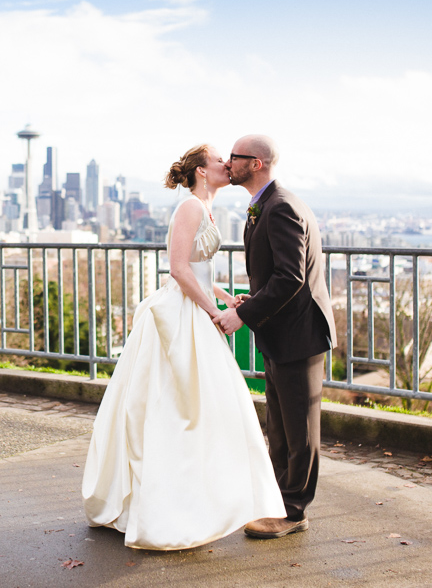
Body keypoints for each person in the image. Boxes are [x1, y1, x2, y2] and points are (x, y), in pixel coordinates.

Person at [82, 144, 286, 550]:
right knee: (179, 408)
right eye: (218, 162)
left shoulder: (206, 208)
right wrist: (214, 312)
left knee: (202, 407)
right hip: (181, 316)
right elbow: (177, 269)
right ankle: (173, 505)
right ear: (201, 172)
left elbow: (196, 269)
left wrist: (227, 298)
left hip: (196, 308)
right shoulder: (191, 208)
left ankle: (201, 500)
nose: (227, 166)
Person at [214, 134, 337, 539]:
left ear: (258, 163)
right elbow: (277, 276)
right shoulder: (266, 204)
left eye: (236, 156)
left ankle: (294, 511)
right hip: (281, 331)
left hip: (298, 335)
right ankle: (279, 501)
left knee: (300, 430)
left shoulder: (281, 207)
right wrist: (254, 298)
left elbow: (291, 278)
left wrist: (242, 316)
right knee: (280, 426)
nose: (228, 162)